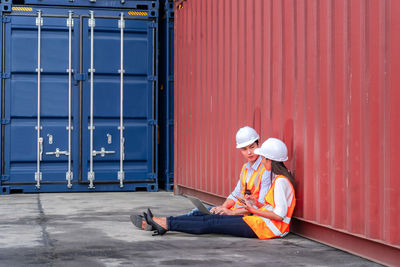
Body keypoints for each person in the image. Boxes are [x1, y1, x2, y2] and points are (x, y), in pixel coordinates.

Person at [136, 138, 296, 239]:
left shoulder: (281, 181)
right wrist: (256, 205)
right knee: (209, 217)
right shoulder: (278, 179)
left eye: (265, 158)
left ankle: (165, 223)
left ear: (271, 160)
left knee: (212, 222)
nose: (263, 161)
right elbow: (273, 207)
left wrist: (252, 210)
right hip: (260, 222)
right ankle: (164, 222)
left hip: (267, 228)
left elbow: (280, 215)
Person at [131, 126, 271, 230]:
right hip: (237, 209)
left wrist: (231, 212)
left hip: (248, 216)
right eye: (244, 149)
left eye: (252, 147)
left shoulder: (265, 170)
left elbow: (260, 205)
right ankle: (159, 221)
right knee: (200, 211)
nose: (249, 152)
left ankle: (160, 222)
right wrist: (223, 207)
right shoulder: (246, 168)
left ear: (259, 143)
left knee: (204, 218)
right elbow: (235, 194)